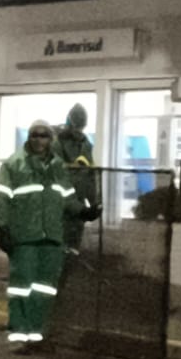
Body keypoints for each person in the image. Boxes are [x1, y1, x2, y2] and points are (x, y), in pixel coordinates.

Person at [0, 119, 79, 345]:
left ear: (51, 139)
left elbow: (68, 199)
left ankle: (36, 332)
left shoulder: (58, 166)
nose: (39, 140)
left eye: (44, 135)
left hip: (52, 238)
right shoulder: (14, 164)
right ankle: (19, 332)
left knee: (45, 288)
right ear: (28, 137)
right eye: (34, 135)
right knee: (22, 285)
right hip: (24, 237)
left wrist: (84, 211)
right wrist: (2, 227)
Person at [53, 103, 101, 252]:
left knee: (72, 247)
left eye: (81, 128)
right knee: (59, 246)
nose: (78, 132)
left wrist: (94, 202)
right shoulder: (56, 145)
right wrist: (85, 207)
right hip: (59, 205)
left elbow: (89, 175)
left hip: (76, 204)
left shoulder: (86, 145)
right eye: (76, 128)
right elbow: (58, 181)